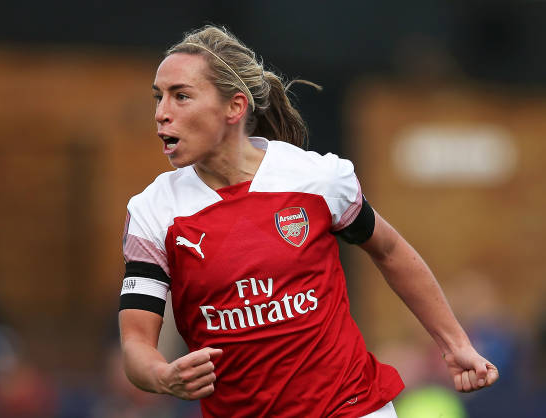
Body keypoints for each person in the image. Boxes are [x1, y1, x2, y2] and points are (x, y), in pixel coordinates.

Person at [118, 25, 499, 418]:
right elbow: (135, 343)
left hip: (351, 407)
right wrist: (163, 376)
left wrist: (456, 345)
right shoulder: (153, 212)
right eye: (158, 97)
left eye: (181, 96)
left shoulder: (316, 179)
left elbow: (389, 249)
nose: (162, 113)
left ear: (235, 107)